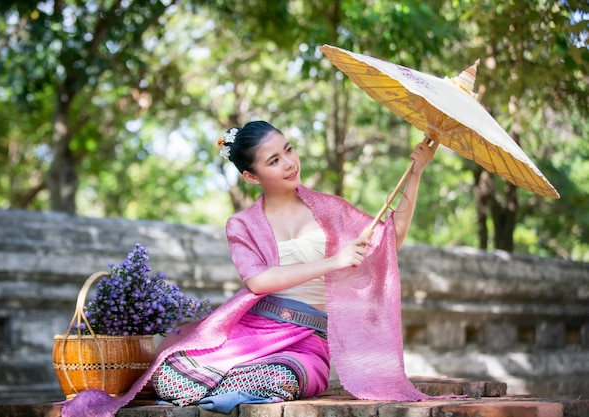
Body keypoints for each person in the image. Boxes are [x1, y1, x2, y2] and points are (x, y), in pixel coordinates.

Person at [61, 120, 446, 417]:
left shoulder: (330, 209)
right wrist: (333, 261)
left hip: (308, 340)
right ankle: (225, 385)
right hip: (255, 329)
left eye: (288, 150)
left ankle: (226, 386)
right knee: (169, 377)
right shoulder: (242, 224)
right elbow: (259, 280)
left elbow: (389, 240)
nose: (289, 163)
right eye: (274, 160)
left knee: (282, 378)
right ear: (251, 176)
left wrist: (417, 171)